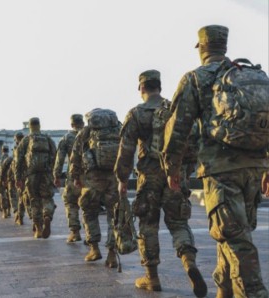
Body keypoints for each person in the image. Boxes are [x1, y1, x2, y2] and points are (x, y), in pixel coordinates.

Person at [162, 25, 269, 298]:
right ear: (223, 46)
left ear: (202, 49)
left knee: (236, 241)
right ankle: (224, 289)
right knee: (233, 235)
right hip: (254, 171)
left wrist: (172, 168)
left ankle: (253, 292)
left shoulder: (196, 79)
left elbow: (177, 129)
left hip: (221, 171)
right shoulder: (251, 76)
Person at [114, 70, 207, 297]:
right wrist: (184, 170)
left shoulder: (137, 113)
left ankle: (152, 277)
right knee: (178, 223)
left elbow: (126, 150)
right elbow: (193, 142)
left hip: (149, 176)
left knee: (148, 224)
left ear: (142, 88)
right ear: (160, 87)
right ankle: (189, 262)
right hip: (176, 175)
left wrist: (122, 179)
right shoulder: (175, 110)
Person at [69, 108, 120, 268]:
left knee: (89, 213)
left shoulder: (86, 132)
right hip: (114, 179)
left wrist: (75, 177)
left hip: (92, 179)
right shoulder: (119, 129)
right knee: (114, 216)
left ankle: (94, 249)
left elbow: (75, 155)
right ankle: (112, 253)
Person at [14, 117, 57, 239]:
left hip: (31, 175)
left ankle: (38, 229)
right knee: (47, 198)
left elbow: (18, 160)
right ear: (39, 125)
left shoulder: (26, 140)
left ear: (30, 126)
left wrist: (18, 178)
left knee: (34, 200)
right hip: (46, 174)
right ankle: (47, 216)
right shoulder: (48, 138)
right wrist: (51, 171)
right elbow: (55, 155)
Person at [53, 114, 85, 243]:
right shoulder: (91, 135)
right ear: (82, 123)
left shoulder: (67, 138)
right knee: (90, 206)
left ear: (72, 124)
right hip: (91, 175)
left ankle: (75, 231)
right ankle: (90, 235)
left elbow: (59, 159)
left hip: (74, 175)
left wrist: (56, 175)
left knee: (70, 202)